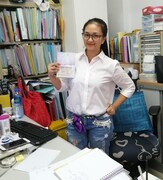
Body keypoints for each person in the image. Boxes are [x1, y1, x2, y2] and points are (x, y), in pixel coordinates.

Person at [48, 18, 135, 155]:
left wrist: (114, 106)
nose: (90, 39)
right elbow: (62, 87)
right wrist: (52, 76)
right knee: (76, 159)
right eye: (86, 34)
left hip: (99, 123)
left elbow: (129, 86)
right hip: (74, 120)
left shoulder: (111, 65)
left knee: (98, 161)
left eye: (95, 35)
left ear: (103, 39)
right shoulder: (72, 59)